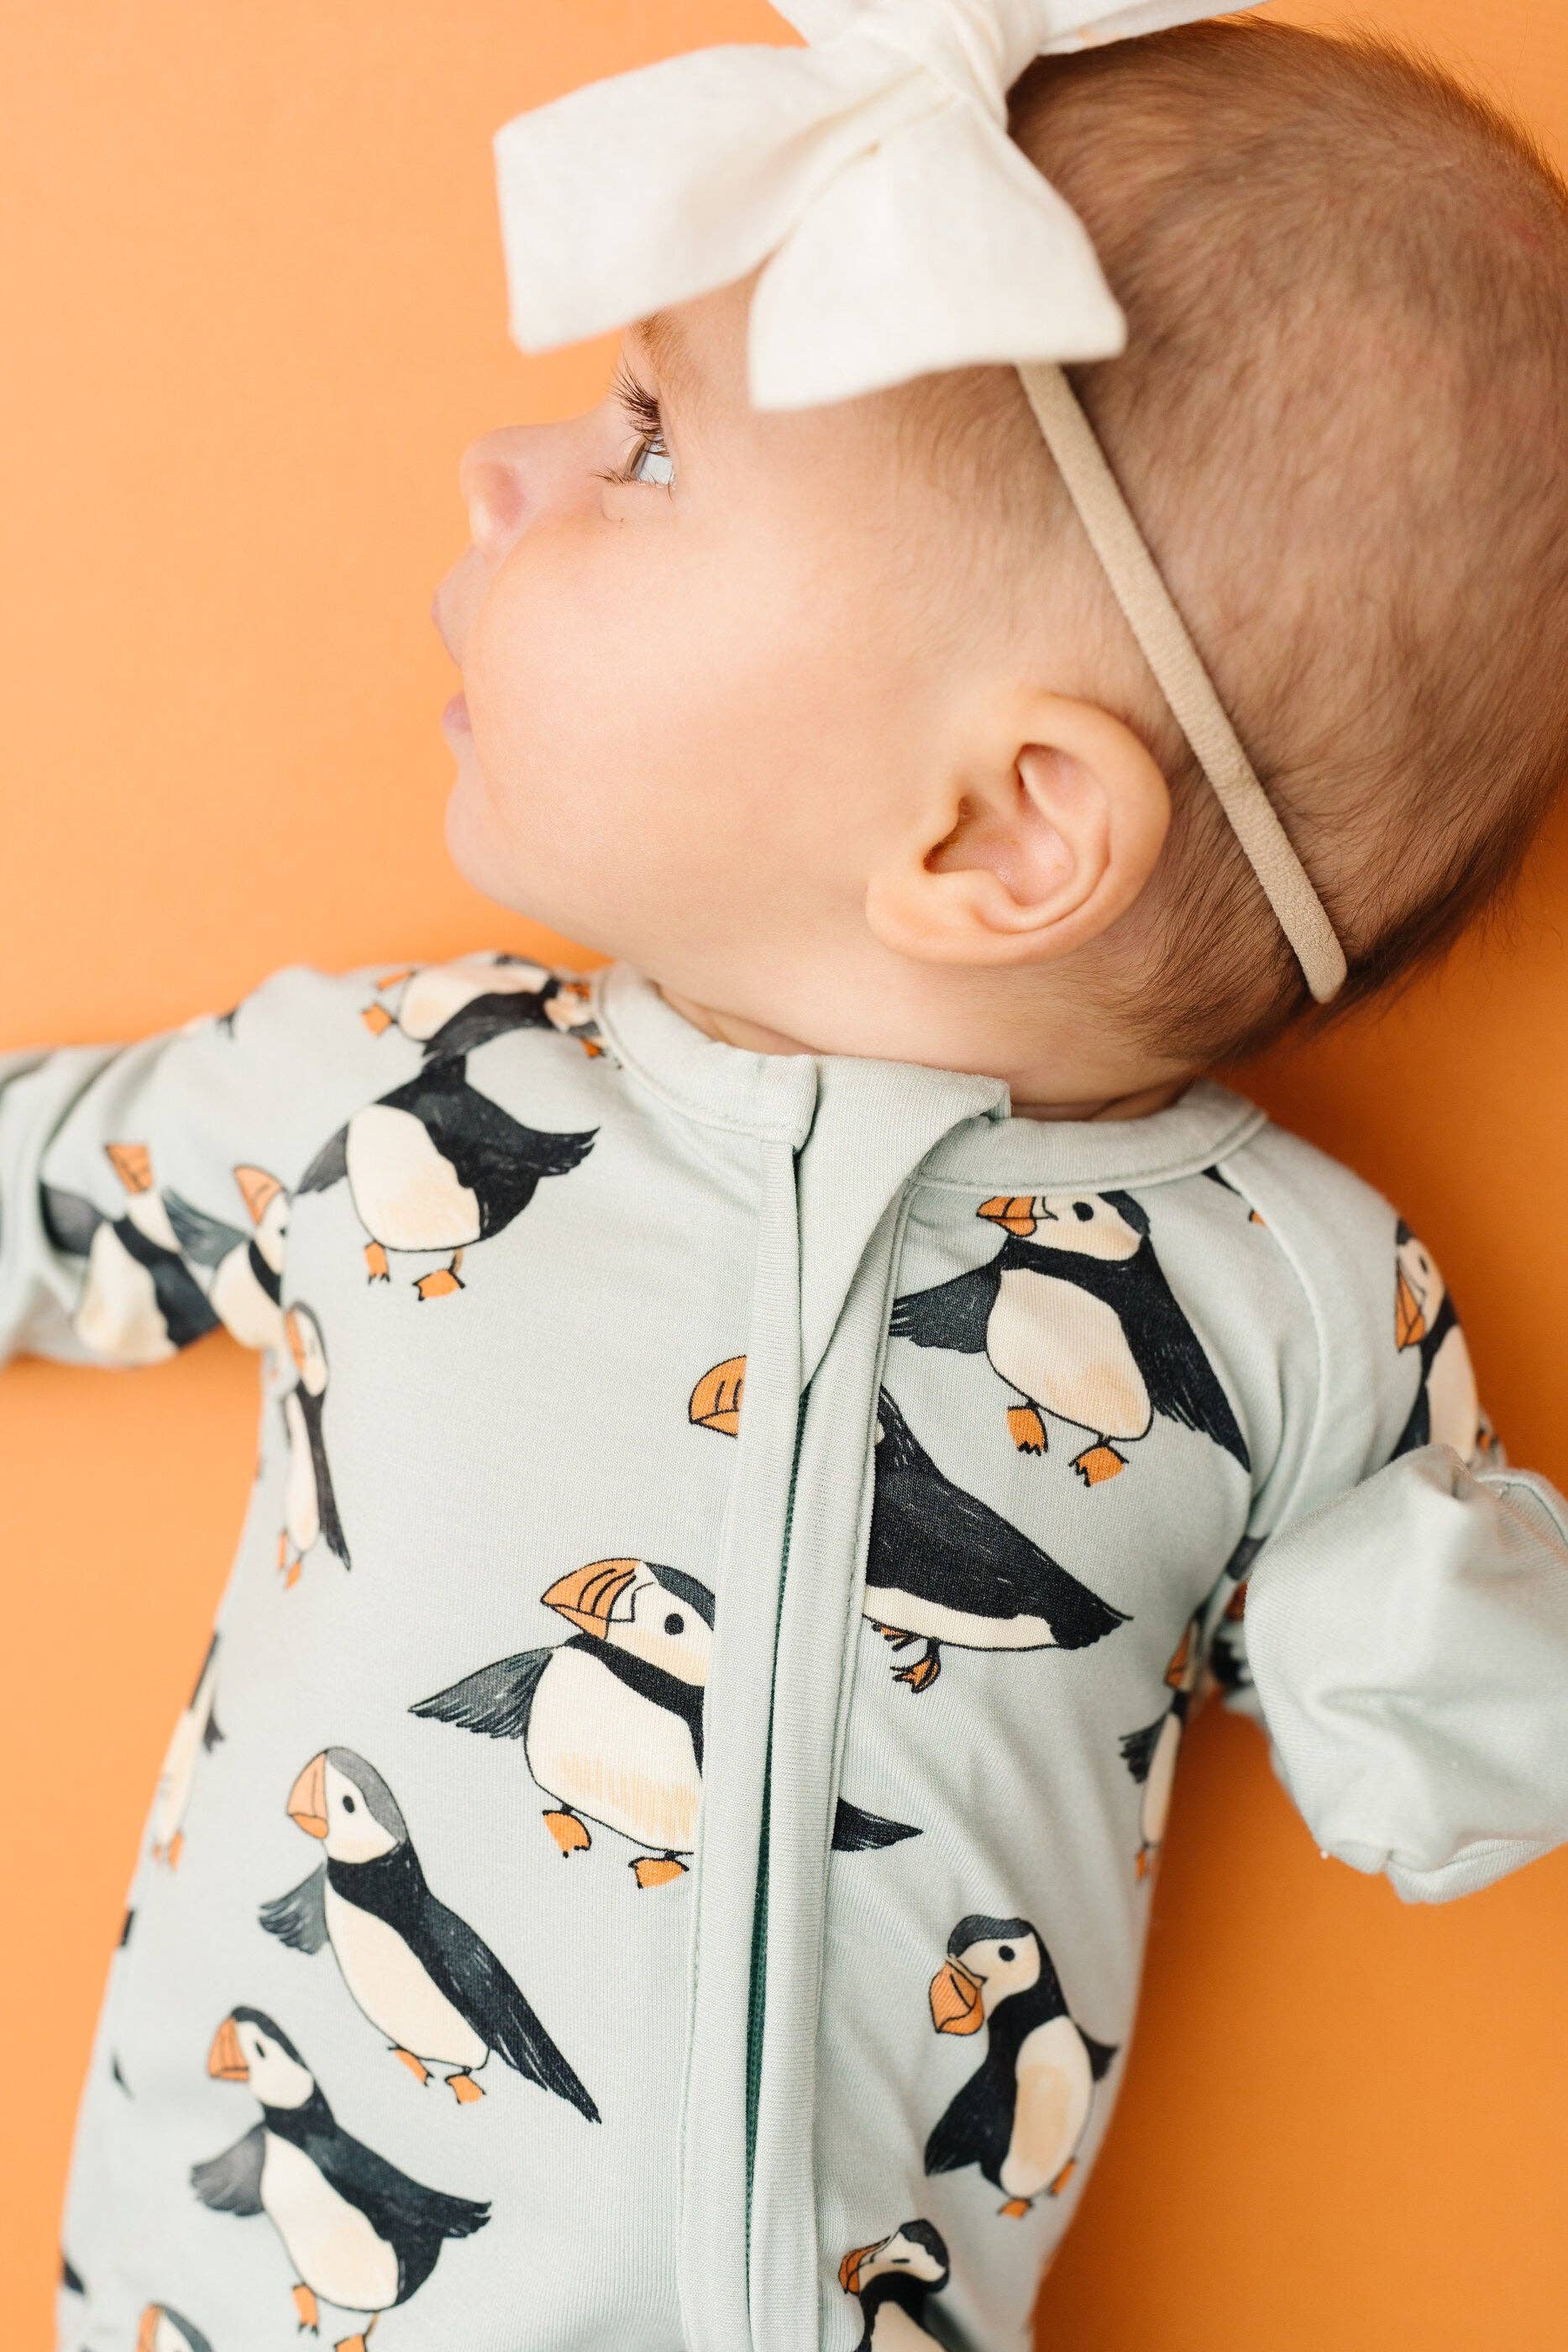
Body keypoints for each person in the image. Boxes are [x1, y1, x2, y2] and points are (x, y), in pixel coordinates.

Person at [13, 6, 1568, 2349]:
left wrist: (1453, 1655)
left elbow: (1438, 1758)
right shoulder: (402, 1100)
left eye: (647, 442)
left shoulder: (1291, 1305)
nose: (498, 468)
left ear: (1001, 830)